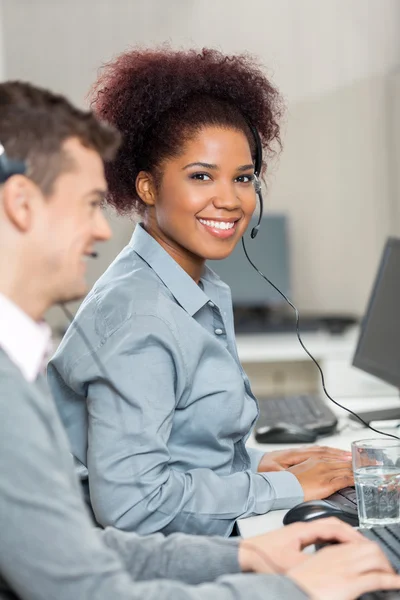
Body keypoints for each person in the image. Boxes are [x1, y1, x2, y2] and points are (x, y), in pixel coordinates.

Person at [1, 79, 397, 600]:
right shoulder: (135, 316)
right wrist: (293, 586)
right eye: (90, 204)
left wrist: (246, 545)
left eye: (244, 178)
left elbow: (82, 547)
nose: (101, 231)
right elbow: (123, 521)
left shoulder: (194, 288)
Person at [48, 47, 355, 538]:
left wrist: (257, 466)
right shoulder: (141, 317)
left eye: (243, 178)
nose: (231, 200)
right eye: (201, 176)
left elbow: (176, 451)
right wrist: (283, 491)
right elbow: (134, 506)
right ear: (146, 187)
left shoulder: (184, 285)